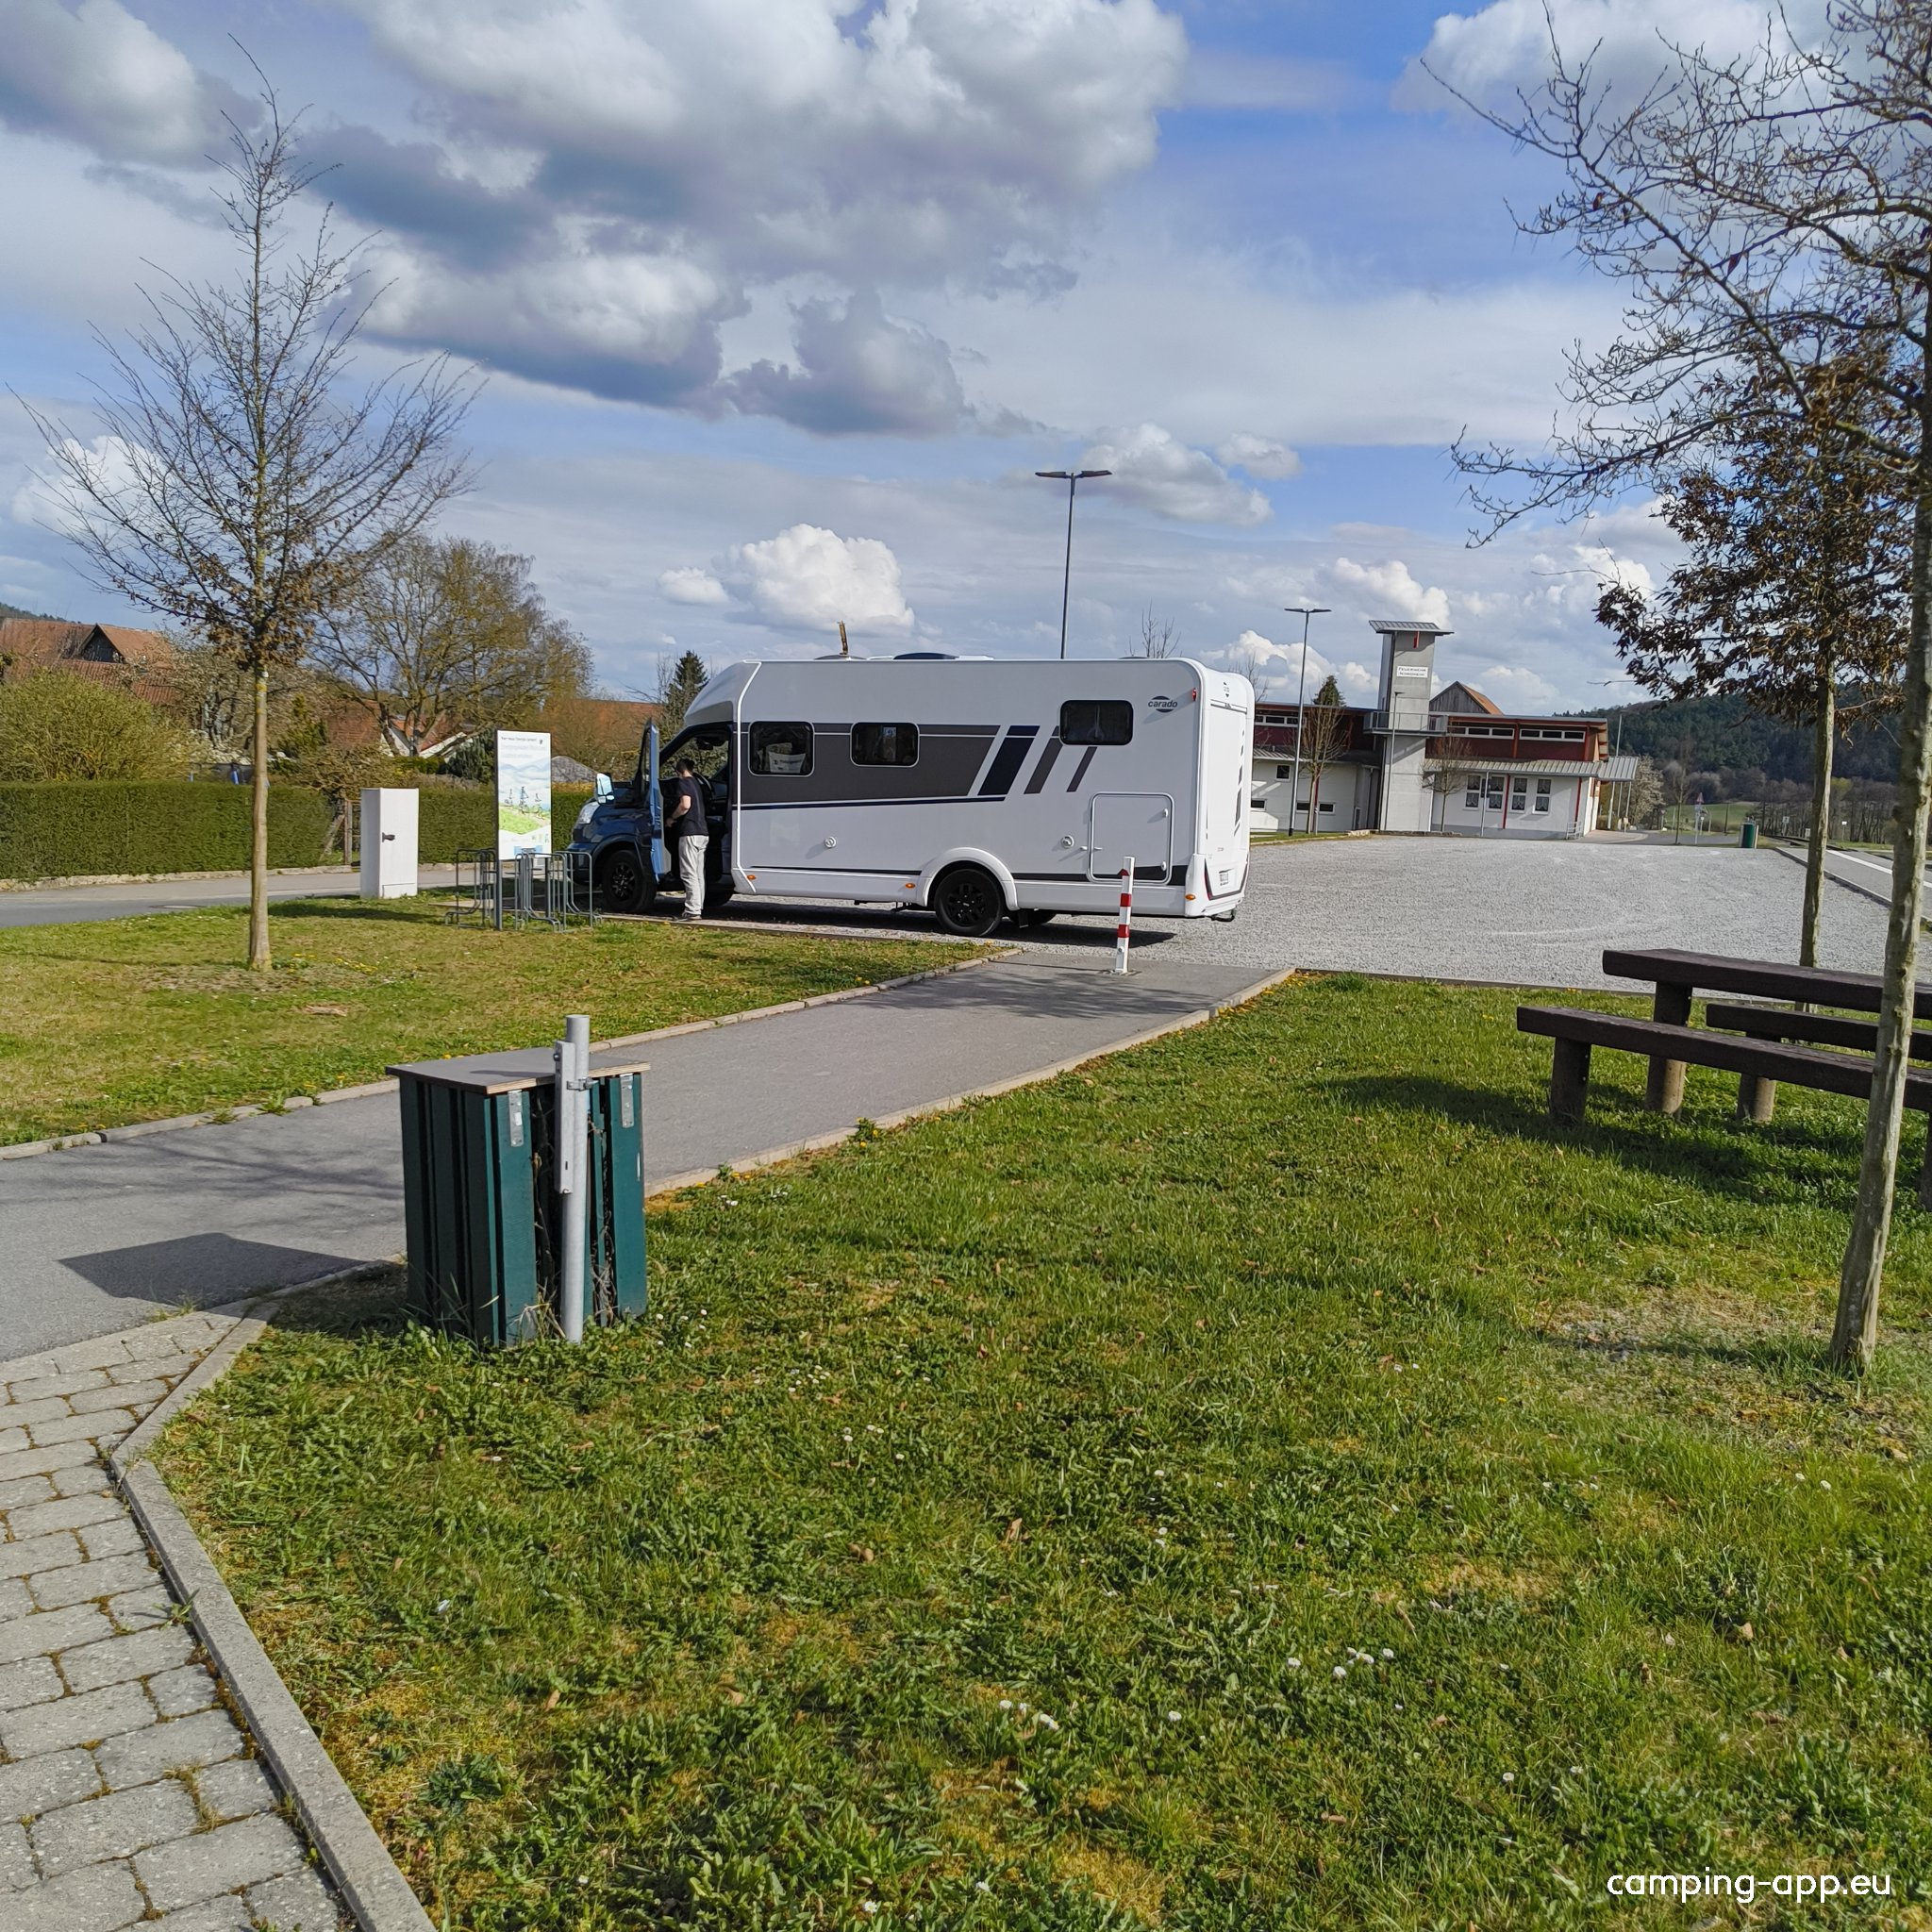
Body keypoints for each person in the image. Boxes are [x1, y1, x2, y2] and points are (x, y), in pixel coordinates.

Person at [667, 756, 708, 921]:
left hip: (689, 831)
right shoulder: (698, 785)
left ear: (679, 771)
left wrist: (672, 817)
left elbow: (685, 805)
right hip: (703, 832)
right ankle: (698, 906)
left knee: (688, 873)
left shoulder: (683, 783)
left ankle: (692, 911)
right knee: (699, 873)